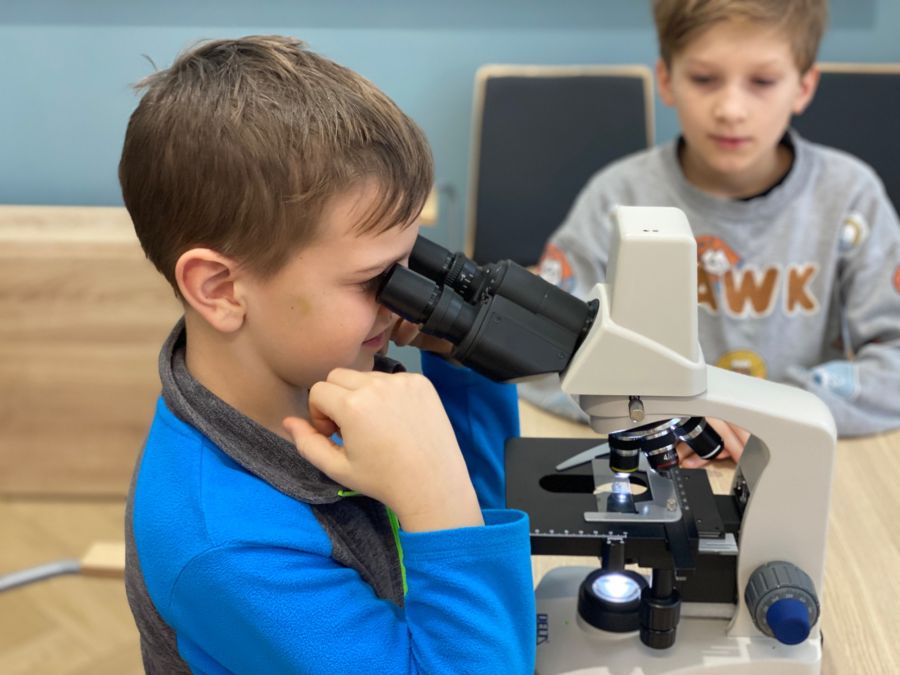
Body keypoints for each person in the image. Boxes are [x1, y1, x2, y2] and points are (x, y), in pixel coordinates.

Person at [119, 35, 534, 674]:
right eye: (373, 278)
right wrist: (437, 506)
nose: (406, 300)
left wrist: (463, 368)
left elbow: (482, 529)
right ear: (221, 290)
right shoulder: (229, 547)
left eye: (411, 263)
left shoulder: (319, 381)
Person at [522, 0, 900, 464]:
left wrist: (771, 411)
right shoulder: (617, 196)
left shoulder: (850, 197)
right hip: (661, 458)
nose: (731, 109)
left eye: (762, 82)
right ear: (667, 80)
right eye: (704, 79)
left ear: (804, 87)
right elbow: (540, 349)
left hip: (794, 460)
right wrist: (660, 416)